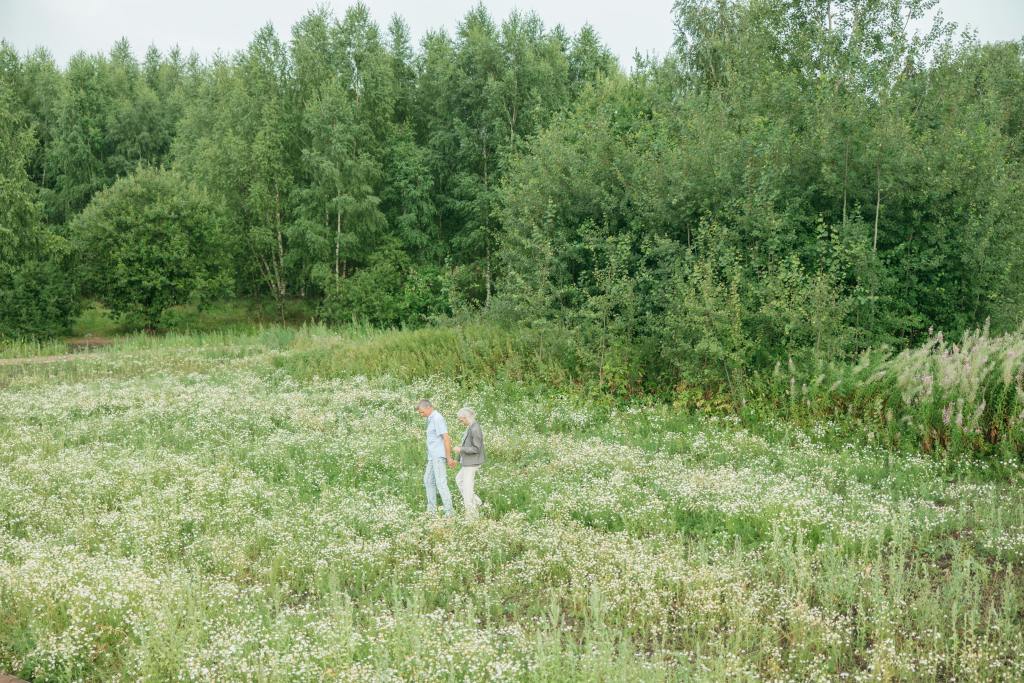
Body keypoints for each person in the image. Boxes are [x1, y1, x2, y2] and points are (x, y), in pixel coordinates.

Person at [416, 399, 455, 516]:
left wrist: (449, 457)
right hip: (432, 457)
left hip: (438, 456)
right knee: (428, 480)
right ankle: (431, 510)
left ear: (429, 408)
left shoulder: (437, 418)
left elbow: (446, 438)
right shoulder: (430, 419)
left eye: (422, 412)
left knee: (441, 483)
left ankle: (450, 512)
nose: (421, 415)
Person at [452, 407, 484, 518]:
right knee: (459, 479)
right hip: (467, 462)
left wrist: (461, 450)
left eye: (461, 420)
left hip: (471, 463)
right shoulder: (470, 427)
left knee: (467, 489)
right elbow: (465, 444)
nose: (461, 422)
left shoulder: (475, 428)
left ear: (465, 417)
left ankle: (471, 516)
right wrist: (457, 458)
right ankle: (477, 502)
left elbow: (476, 449)